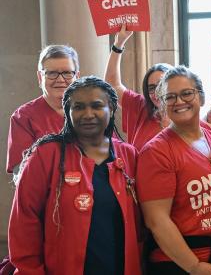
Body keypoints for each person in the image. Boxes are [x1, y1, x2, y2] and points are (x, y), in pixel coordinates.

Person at [8, 76, 141, 275]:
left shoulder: (129, 155)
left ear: (112, 108)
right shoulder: (46, 155)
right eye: (78, 107)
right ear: (68, 112)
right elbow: (24, 224)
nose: (88, 114)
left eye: (97, 106)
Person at [136, 65, 211, 275]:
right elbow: (157, 220)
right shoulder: (156, 152)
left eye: (187, 93)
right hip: (180, 264)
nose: (179, 101)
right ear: (162, 105)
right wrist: (194, 266)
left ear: (200, 98)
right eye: (170, 97)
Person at [6, 44, 80, 174]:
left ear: (77, 77)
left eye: (67, 73)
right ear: (40, 77)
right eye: (52, 73)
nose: (60, 79)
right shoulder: (23, 117)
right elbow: (20, 170)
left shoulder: (91, 112)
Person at [104, 25, 172, 151]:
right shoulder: (141, 106)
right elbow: (112, 85)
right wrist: (118, 44)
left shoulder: (186, 114)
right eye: (151, 88)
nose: (156, 92)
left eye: (162, 85)